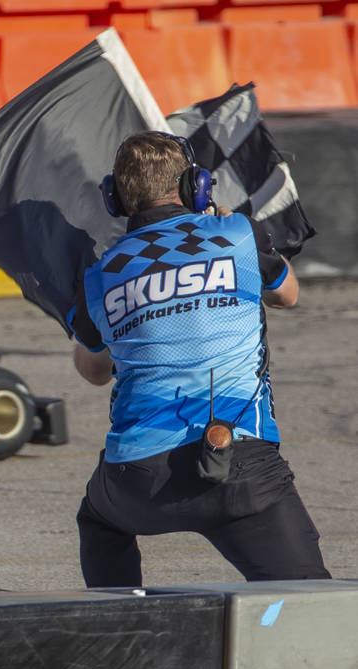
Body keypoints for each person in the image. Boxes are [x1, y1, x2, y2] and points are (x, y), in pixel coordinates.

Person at [68, 130, 330, 587]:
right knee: (307, 604)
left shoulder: (99, 274)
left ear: (115, 197)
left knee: (100, 521)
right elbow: (287, 295)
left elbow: (93, 371)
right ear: (198, 187)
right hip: (237, 465)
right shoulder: (236, 233)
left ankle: (118, 625)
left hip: (139, 480)